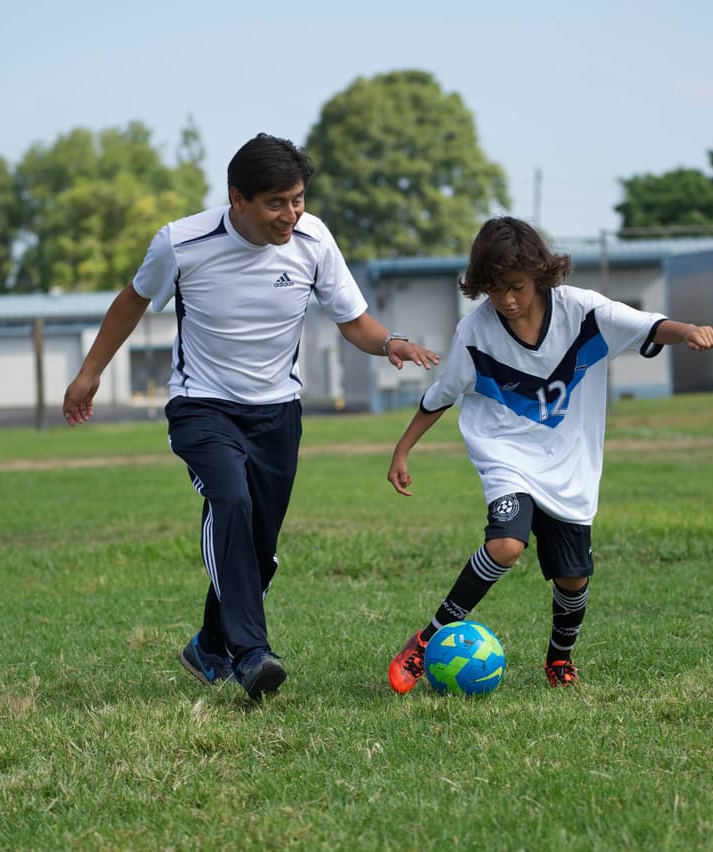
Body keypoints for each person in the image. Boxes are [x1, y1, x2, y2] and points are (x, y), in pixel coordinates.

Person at [63, 133, 439, 700]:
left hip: (278, 414)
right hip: (202, 405)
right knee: (230, 502)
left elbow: (353, 319)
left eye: (298, 199)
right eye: (276, 203)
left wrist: (391, 342)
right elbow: (133, 300)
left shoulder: (313, 240)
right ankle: (250, 653)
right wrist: (90, 372)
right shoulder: (182, 242)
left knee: (259, 553)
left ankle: (208, 645)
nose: (291, 214)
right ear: (237, 198)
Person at [384, 216, 713, 694]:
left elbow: (647, 325)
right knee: (506, 544)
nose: (508, 300)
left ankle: (559, 659)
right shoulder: (475, 333)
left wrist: (687, 330)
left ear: (539, 275)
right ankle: (425, 641)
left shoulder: (582, 312)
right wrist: (402, 449)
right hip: (505, 454)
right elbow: (443, 393)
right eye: (495, 289)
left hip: (568, 465)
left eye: (517, 287)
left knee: (572, 580)